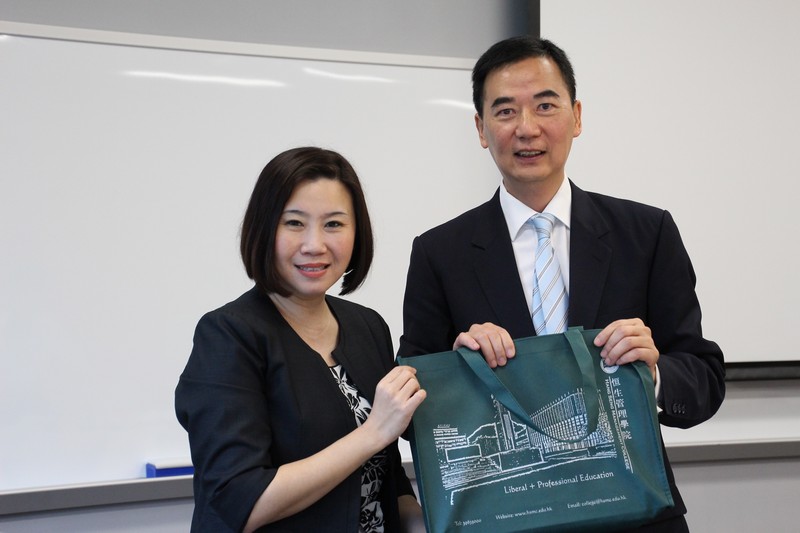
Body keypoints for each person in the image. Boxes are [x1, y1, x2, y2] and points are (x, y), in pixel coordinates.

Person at [397, 36, 725, 531]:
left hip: (636, 515)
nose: (527, 129)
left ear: (576, 117)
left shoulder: (646, 233)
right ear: (481, 129)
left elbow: (704, 380)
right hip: (507, 516)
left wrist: (651, 374)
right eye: (505, 111)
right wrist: (454, 369)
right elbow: (412, 408)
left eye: (545, 105)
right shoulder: (439, 252)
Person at [176, 147, 426, 533]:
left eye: (334, 224)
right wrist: (373, 433)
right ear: (264, 228)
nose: (314, 244)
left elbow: (387, 482)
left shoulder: (367, 327)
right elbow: (241, 502)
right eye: (294, 223)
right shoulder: (228, 336)